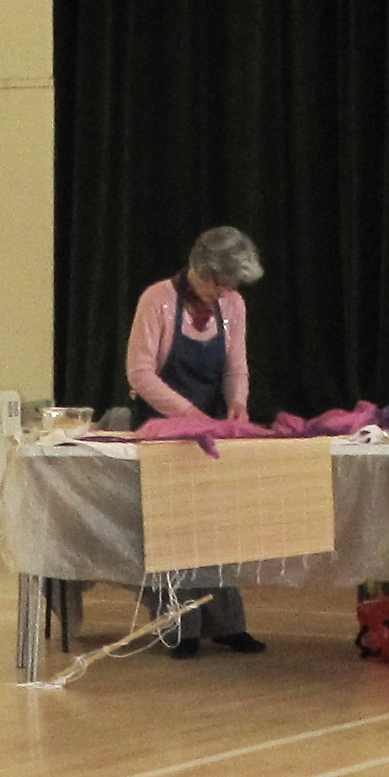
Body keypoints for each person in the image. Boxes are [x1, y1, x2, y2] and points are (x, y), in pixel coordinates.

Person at [120, 225, 266, 655]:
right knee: (174, 530)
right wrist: (188, 415)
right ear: (201, 270)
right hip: (161, 427)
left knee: (218, 526)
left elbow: (235, 365)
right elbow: (140, 374)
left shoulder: (232, 304)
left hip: (210, 428)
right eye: (220, 283)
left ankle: (227, 623)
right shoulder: (157, 300)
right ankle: (179, 628)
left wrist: (237, 403)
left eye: (231, 285)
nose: (226, 292)